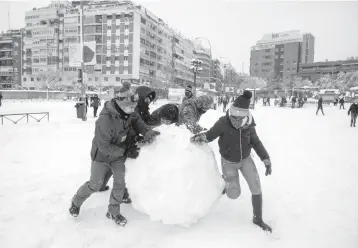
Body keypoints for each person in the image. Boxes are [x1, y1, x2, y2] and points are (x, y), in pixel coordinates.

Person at [69, 84, 159, 226]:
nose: (133, 110)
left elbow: (137, 120)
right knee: (95, 184)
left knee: (120, 184)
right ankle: (76, 201)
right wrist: (125, 151)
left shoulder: (129, 110)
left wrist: (147, 131)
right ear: (121, 104)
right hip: (102, 157)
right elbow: (103, 146)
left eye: (133, 107)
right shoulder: (105, 120)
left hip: (118, 156)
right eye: (130, 107)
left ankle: (113, 211)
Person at [190, 90, 272, 232]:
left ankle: (257, 218)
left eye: (238, 118)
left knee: (256, 187)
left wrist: (266, 159)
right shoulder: (223, 122)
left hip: (246, 160)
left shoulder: (249, 126)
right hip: (228, 162)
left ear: (245, 116)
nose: (235, 120)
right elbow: (210, 135)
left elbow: (256, 143)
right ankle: (223, 184)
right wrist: (199, 138)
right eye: (233, 116)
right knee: (233, 194)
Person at [98, 85, 157, 195]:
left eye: (150, 99)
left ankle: (102, 185)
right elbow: (127, 124)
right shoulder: (129, 106)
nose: (148, 101)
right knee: (120, 165)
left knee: (115, 164)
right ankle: (123, 193)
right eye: (147, 98)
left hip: (129, 138)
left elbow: (140, 121)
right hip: (121, 140)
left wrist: (147, 131)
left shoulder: (141, 107)